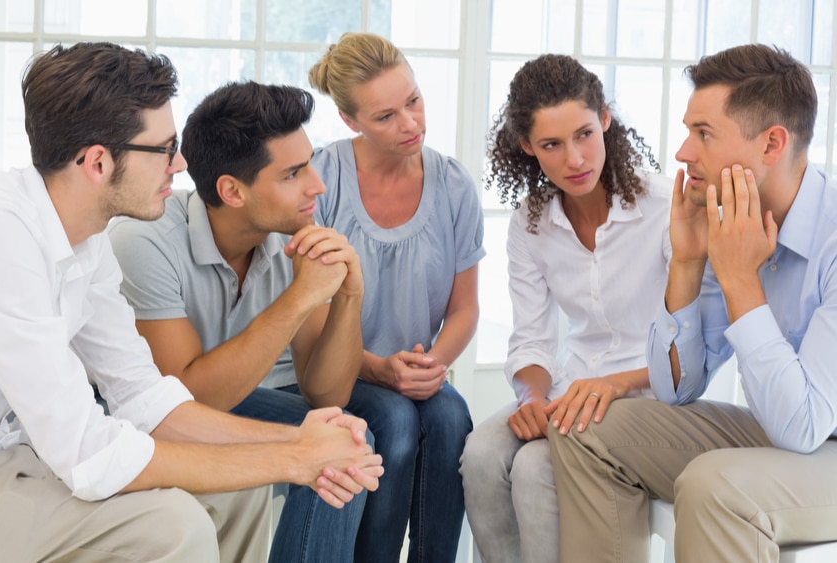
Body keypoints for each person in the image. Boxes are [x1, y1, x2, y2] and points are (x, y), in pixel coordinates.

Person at [0, 42, 383, 563]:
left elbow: (145, 401)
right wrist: (294, 458)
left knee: (238, 491)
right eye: (165, 150)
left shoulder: (86, 237)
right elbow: (86, 452)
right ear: (98, 162)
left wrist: (304, 440)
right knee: (174, 527)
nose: (179, 165)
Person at [549, 43, 837, 562]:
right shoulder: (728, 221)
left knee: (714, 483)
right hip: (781, 427)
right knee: (583, 428)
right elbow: (675, 388)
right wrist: (686, 264)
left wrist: (739, 280)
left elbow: (804, 426)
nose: (683, 152)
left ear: (772, 143)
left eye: (703, 134)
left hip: (820, 438)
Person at [108, 80, 369, 563]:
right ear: (232, 191)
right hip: (135, 415)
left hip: (226, 398)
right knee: (332, 442)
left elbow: (328, 395)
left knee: (344, 437)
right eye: (294, 173)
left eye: (309, 163)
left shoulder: (288, 231)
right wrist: (298, 298)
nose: (319, 185)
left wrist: (350, 295)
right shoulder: (144, 241)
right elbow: (181, 403)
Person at [457, 54, 670, 563]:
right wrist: (531, 394)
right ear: (528, 147)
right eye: (552, 144)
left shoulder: (663, 208)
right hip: (568, 390)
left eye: (584, 134)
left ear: (605, 119)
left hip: (648, 392)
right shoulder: (530, 222)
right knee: (480, 454)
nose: (575, 159)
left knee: (534, 467)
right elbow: (531, 337)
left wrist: (612, 386)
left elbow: (698, 341)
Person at [308, 31, 484, 562]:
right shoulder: (323, 178)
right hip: (332, 371)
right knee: (395, 422)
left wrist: (432, 366)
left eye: (413, 101)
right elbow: (307, 323)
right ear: (350, 120)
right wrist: (380, 370)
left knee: (454, 418)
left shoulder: (454, 186)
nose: (410, 123)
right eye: (385, 116)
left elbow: (464, 308)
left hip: (412, 371)